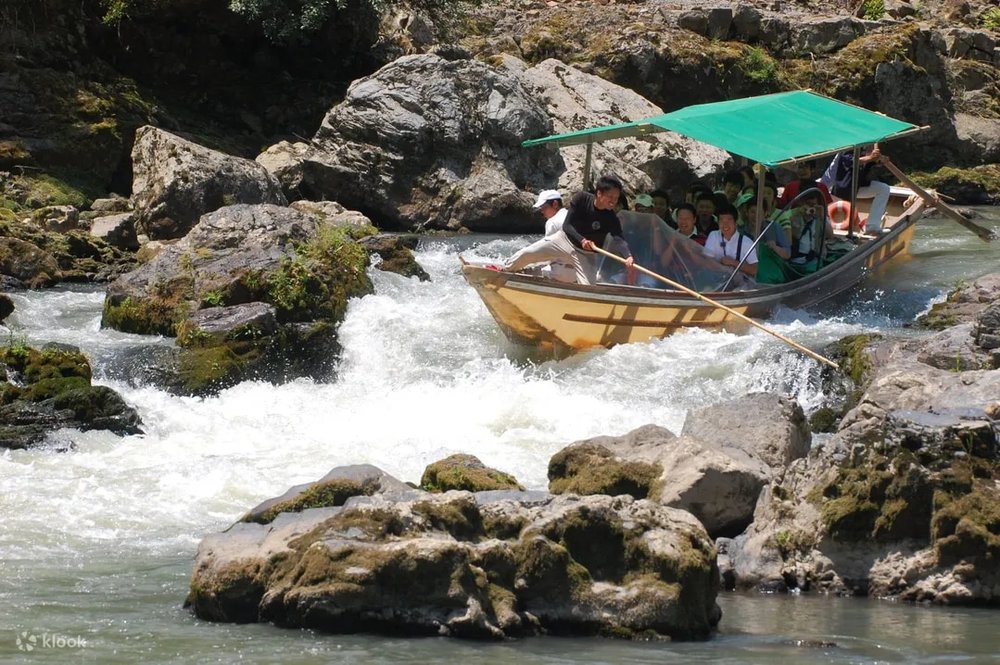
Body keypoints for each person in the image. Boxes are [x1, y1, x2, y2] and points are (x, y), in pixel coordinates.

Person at [503, 175, 634, 285]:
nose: (613, 201)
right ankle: (504, 270)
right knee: (528, 253)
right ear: (599, 194)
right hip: (564, 240)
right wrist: (582, 240)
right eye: (610, 197)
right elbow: (567, 226)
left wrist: (628, 256)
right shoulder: (581, 199)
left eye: (616, 198)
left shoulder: (611, 218)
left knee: (588, 288)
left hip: (586, 254)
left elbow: (619, 238)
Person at [822, 144, 892, 231]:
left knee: (883, 189)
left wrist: (879, 161)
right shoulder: (850, 146)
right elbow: (850, 162)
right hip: (844, 188)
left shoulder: (866, 148)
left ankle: (872, 225)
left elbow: (867, 163)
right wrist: (870, 158)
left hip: (858, 186)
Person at [703, 204, 757, 278]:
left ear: (735, 222)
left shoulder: (746, 242)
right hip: (716, 280)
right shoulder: (714, 235)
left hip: (740, 283)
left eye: (729, 220)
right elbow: (706, 261)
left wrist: (733, 263)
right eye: (721, 220)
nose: (725, 224)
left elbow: (754, 270)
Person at [788, 191, 835, 271]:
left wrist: (822, 217)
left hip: (815, 260)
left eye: (813, 205)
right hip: (795, 259)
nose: (810, 208)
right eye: (808, 204)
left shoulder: (821, 217)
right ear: (801, 203)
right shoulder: (793, 214)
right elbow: (791, 234)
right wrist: (798, 215)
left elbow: (830, 236)